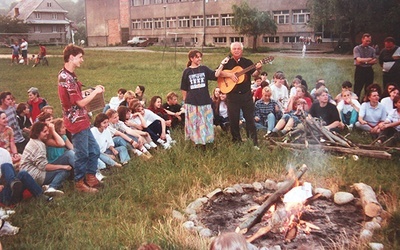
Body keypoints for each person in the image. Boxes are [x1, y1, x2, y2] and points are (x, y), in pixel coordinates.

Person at [58, 44, 104, 193]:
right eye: (80, 57)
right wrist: (95, 92)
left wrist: (89, 91)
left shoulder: (70, 75)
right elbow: (80, 103)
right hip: (76, 122)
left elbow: (75, 97)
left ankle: (90, 176)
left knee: (95, 150)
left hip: (82, 120)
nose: (82, 60)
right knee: (82, 153)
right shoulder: (66, 77)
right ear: (71, 57)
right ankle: (79, 182)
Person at [180, 49, 227, 147]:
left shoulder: (204, 69)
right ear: (191, 58)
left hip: (204, 101)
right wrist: (185, 101)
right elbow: (184, 88)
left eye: (200, 57)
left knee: (205, 122)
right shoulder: (187, 71)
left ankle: (205, 142)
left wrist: (222, 64)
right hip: (192, 102)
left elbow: (215, 75)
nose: (199, 59)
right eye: (197, 57)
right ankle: (196, 142)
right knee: (195, 123)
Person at [220, 42, 262, 148]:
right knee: (234, 120)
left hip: (246, 95)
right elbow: (218, 72)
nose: (236, 50)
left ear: (242, 50)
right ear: (231, 50)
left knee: (250, 119)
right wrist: (230, 74)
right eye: (234, 49)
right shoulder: (227, 62)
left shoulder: (247, 62)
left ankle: (253, 143)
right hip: (232, 96)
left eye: (239, 48)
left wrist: (258, 69)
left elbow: (254, 74)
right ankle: (236, 142)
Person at [20, 122, 72, 196]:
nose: (48, 133)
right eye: (45, 131)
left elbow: (62, 144)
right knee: (64, 171)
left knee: (68, 154)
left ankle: (49, 186)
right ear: (37, 133)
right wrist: (63, 166)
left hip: (37, 171)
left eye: (48, 131)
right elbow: (44, 167)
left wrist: (52, 130)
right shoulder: (38, 146)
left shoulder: (37, 141)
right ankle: (52, 187)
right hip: (34, 175)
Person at [353, 33, 377, 98]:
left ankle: (365, 101)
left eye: (369, 41)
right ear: (362, 40)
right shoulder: (357, 48)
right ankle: (356, 102)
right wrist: (369, 59)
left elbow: (374, 60)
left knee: (368, 88)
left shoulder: (372, 49)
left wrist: (364, 62)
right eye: (366, 41)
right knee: (358, 88)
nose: (368, 42)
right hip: (360, 70)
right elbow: (358, 60)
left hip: (369, 70)